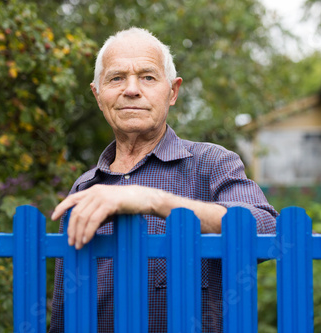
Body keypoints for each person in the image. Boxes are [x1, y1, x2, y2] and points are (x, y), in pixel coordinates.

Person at [49, 27, 278, 333]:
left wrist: (153, 200)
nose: (131, 89)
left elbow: (265, 229)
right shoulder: (85, 188)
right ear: (98, 95)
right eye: (116, 78)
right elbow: (64, 312)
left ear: (172, 92)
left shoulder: (210, 163)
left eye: (148, 77)